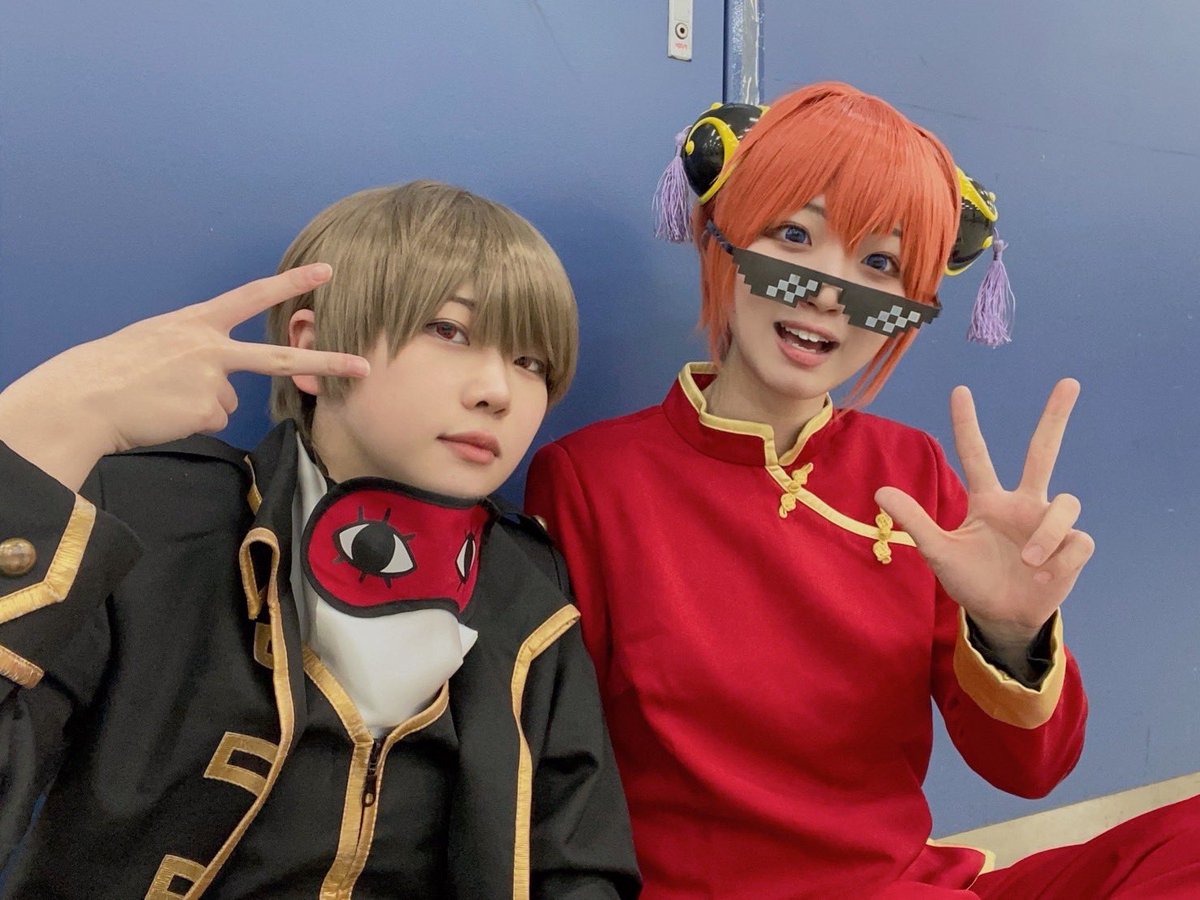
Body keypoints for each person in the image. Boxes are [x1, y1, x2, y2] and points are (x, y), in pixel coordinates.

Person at [525, 82, 1200, 897]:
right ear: (723, 240)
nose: (827, 292)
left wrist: (1011, 632)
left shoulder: (912, 470)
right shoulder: (591, 479)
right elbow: (558, 781)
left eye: (878, 263)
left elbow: (1030, 773)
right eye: (795, 236)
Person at [0, 180, 640, 898]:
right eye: (449, 331)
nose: (498, 391)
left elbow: (578, 868)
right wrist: (52, 420)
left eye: (532, 362)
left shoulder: (530, 595)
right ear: (310, 346)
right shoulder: (148, 518)